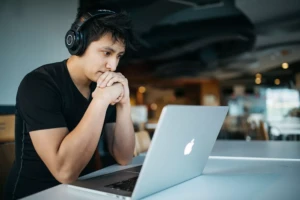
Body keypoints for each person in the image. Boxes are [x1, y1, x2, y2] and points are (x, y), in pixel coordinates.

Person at [4, 3, 136, 199]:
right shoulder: (39, 84)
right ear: (78, 43)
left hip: (83, 190)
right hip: (36, 194)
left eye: (119, 56)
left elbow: (124, 157)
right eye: (106, 53)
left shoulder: (100, 85)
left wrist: (124, 103)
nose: (113, 65)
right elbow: (64, 172)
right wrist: (100, 101)